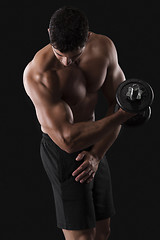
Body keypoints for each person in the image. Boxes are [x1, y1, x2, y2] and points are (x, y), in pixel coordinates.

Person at [23, 6, 134, 240]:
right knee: (83, 237)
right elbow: (68, 140)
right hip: (63, 151)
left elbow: (118, 100)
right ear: (49, 34)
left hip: (97, 142)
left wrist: (96, 155)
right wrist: (120, 117)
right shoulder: (38, 74)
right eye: (59, 53)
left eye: (74, 55)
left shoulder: (104, 49)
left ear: (87, 38)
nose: (65, 61)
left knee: (103, 232)